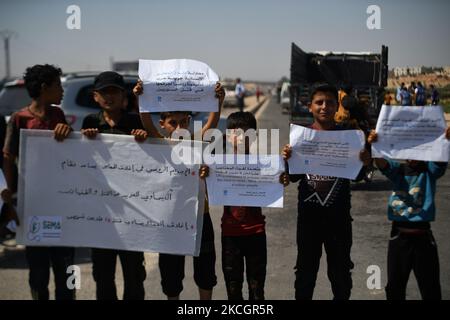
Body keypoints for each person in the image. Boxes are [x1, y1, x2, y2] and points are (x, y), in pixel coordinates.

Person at [133, 79, 225, 300]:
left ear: (190, 121)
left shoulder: (194, 141)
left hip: (199, 218)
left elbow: (212, 122)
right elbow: (146, 121)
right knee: (171, 276)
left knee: (205, 271)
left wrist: (219, 100)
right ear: (162, 124)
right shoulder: (159, 144)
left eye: (184, 121)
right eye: (173, 122)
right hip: (169, 221)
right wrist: (141, 97)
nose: (179, 127)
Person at [282, 84, 371, 300]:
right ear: (310, 106)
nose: (324, 107)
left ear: (336, 106)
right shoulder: (301, 136)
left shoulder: (348, 136)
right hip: (309, 220)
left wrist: (365, 162)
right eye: (319, 102)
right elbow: (292, 177)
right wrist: (287, 159)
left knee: (340, 276)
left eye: (330, 102)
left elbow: (357, 176)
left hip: (339, 220)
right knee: (305, 275)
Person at [2, 64, 74, 300]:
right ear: (45, 88)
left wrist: (68, 132)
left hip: (61, 206)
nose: (62, 91)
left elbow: (71, 154)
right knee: (38, 272)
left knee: (65, 268)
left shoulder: (59, 116)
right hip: (32, 206)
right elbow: (8, 158)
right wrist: (9, 202)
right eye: (58, 86)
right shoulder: (19, 118)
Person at [201, 111, 289, 300]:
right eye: (235, 133)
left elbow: (278, 180)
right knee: (233, 291)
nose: (240, 138)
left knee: (257, 292)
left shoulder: (265, 165)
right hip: (230, 235)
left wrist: (281, 178)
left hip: (256, 234)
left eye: (246, 134)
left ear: (254, 136)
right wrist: (205, 175)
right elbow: (204, 182)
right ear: (227, 136)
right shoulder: (218, 165)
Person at [81, 71, 148, 300]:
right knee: (103, 276)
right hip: (101, 216)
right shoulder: (90, 123)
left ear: (123, 96)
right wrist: (79, 138)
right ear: (95, 97)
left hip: (131, 215)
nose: (109, 97)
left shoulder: (135, 123)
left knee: (134, 276)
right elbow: (79, 161)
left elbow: (153, 162)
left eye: (114, 92)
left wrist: (144, 138)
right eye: (104, 92)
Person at [367, 127, 450, 300]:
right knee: (395, 289)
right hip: (399, 238)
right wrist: (375, 145)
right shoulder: (398, 170)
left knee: (431, 289)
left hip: (423, 238)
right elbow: (382, 163)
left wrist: (446, 141)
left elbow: (441, 161)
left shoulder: (430, 170)